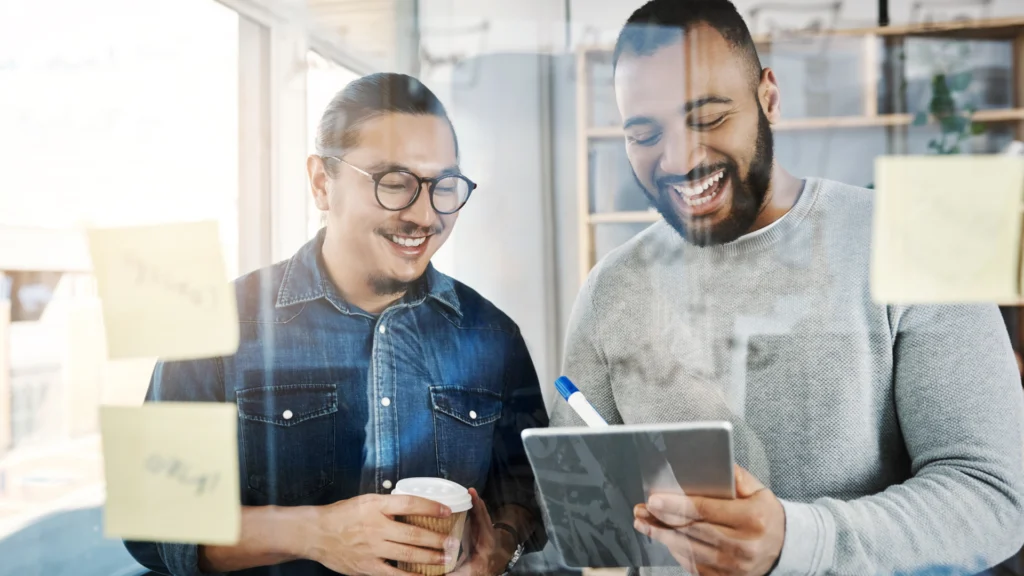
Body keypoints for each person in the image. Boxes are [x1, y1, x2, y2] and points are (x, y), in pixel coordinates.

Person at [550, 1, 1024, 575]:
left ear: (768, 97)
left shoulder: (920, 244)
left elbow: (994, 498)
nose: (677, 158)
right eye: (644, 133)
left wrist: (793, 543)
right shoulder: (610, 291)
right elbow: (582, 528)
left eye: (708, 116)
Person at [125, 73, 548, 576]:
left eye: (444, 186)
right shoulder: (211, 326)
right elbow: (151, 525)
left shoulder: (493, 335)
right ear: (322, 183)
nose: (426, 215)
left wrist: (494, 552)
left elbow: (528, 488)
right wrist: (315, 533)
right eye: (395, 184)